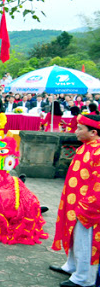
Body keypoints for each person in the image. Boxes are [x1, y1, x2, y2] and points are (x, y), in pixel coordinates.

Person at [49, 114, 100, 287]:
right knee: (72, 237)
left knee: (85, 242)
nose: (75, 132)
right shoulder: (85, 147)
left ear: (93, 132)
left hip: (89, 207)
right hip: (73, 201)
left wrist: (89, 206)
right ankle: (71, 266)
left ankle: (84, 278)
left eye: (80, 129)